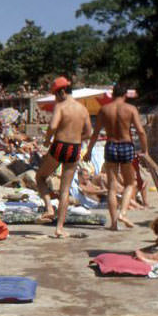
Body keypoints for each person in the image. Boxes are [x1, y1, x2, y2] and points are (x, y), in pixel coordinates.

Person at [84, 85, 148, 230]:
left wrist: (89, 151)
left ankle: (113, 223)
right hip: (126, 145)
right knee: (130, 184)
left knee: (112, 187)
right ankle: (123, 213)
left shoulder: (104, 109)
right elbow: (141, 132)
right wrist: (145, 151)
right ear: (125, 95)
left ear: (112, 95)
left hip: (111, 145)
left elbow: (95, 133)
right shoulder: (130, 109)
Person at [35, 76, 92, 238]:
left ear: (61, 92)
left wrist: (47, 140)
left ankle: (49, 208)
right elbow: (89, 133)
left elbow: (53, 126)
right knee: (65, 189)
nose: (55, 98)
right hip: (75, 148)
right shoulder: (83, 109)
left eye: (55, 94)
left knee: (40, 177)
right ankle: (59, 228)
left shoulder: (60, 106)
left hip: (60, 145)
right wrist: (76, 138)